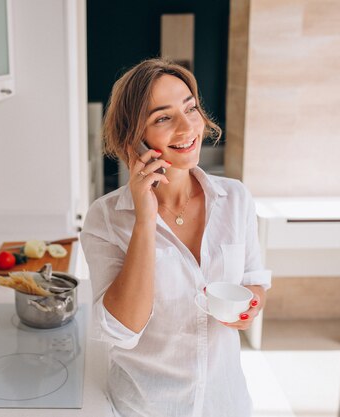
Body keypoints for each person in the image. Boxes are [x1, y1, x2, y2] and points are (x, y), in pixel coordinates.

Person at [80, 58, 271, 417]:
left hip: (226, 403)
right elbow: (121, 330)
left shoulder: (236, 199)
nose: (188, 127)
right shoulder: (105, 219)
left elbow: (253, 282)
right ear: (133, 140)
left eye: (191, 108)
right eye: (163, 118)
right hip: (147, 406)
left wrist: (250, 307)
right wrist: (144, 221)